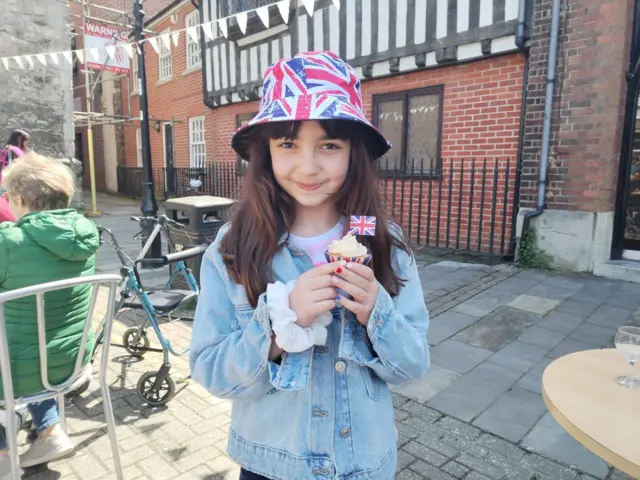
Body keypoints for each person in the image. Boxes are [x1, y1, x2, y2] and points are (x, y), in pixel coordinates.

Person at [189, 51, 430, 480]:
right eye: (288, 144)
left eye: (330, 145)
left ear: (355, 152)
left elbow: (412, 366)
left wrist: (378, 312)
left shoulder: (385, 245)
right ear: (265, 151)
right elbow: (211, 370)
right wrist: (281, 323)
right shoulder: (232, 249)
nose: (308, 166)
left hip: (363, 464)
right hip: (271, 465)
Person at [0, 153, 99, 478]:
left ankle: (2, 450)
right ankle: (49, 430)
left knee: (16, 350)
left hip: (20, 369)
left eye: (8, 197)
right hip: (70, 362)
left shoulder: (9, 242)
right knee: (33, 339)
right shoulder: (85, 234)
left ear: (22, 199)